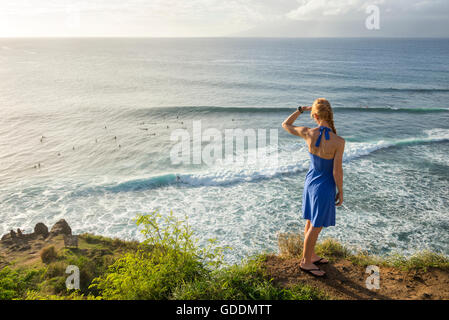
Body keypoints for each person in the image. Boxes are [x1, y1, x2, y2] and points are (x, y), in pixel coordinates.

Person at [282, 98, 345, 277]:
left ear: (315, 115)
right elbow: (336, 171)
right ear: (330, 114)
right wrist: (340, 190)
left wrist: (300, 110)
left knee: (310, 221)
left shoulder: (308, 132)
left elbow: (285, 124)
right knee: (316, 225)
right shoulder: (338, 141)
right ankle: (306, 262)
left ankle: (311, 255)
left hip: (310, 182)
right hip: (324, 186)